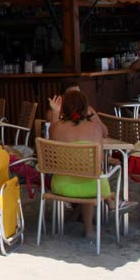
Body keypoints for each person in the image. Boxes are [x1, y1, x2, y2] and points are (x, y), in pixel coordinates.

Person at [48, 90, 117, 240]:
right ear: (86, 108)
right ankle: (89, 229)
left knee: (84, 176)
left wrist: (55, 112)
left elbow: (52, 131)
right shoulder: (95, 129)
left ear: (63, 108)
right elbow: (98, 162)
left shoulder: (56, 128)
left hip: (61, 185)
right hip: (93, 187)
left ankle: (74, 216)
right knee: (90, 176)